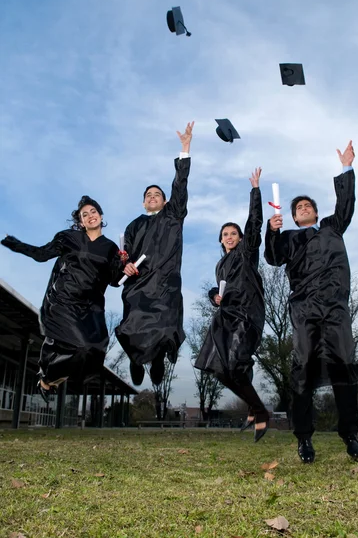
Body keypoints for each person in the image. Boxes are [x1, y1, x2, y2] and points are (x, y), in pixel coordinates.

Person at [265, 141, 358, 462]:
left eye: (308, 205)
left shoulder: (333, 229)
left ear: (317, 213)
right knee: (303, 372)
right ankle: (304, 439)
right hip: (304, 311)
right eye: (298, 208)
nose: (304, 208)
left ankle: (350, 434)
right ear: (293, 217)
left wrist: (346, 168)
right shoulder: (290, 239)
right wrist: (271, 230)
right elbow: (272, 257)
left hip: (336, 310)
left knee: (344, 368)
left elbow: (346, 202)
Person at [1, 196, 133, 402]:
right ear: (80, 222)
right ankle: (47, 375)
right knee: (79, 345)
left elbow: (115, 281)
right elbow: (41, 254)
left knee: (95, 349)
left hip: (91, 307)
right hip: (64, 301)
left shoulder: (110, 248)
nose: (90, 216)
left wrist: (124, 265)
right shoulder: (68, 238)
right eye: (85, 215)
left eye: (93, 212)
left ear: (101, 215)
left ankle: (55, 377)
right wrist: (14, 243)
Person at [115, 122, 194, 386]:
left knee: (164, 328)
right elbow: (123, 257)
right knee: (131, 327)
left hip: (167, 284)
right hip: (139, 284)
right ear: (143, 201)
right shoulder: (134, 225)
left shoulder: (173, 216)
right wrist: (124, 267)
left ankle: (158, 358)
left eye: (157, 194)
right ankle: (136, 359)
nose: (152, 196)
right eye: (148, 194)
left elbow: (180, 187)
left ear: (164, 200)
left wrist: (185, 149)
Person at [195, 168, 269, 443]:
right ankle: (253, 405)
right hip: (225, 317)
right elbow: (220, 289)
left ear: (239, 238)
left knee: (236, 365)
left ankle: (260, 411)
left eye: (233, 233)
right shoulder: (220, 265)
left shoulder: (246, 253)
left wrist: (255, 191)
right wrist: (214, 295)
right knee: (216, 367)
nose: (229, 236)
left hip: (247, 314)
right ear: (220, 240)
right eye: (225, 233)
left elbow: (255, 223)